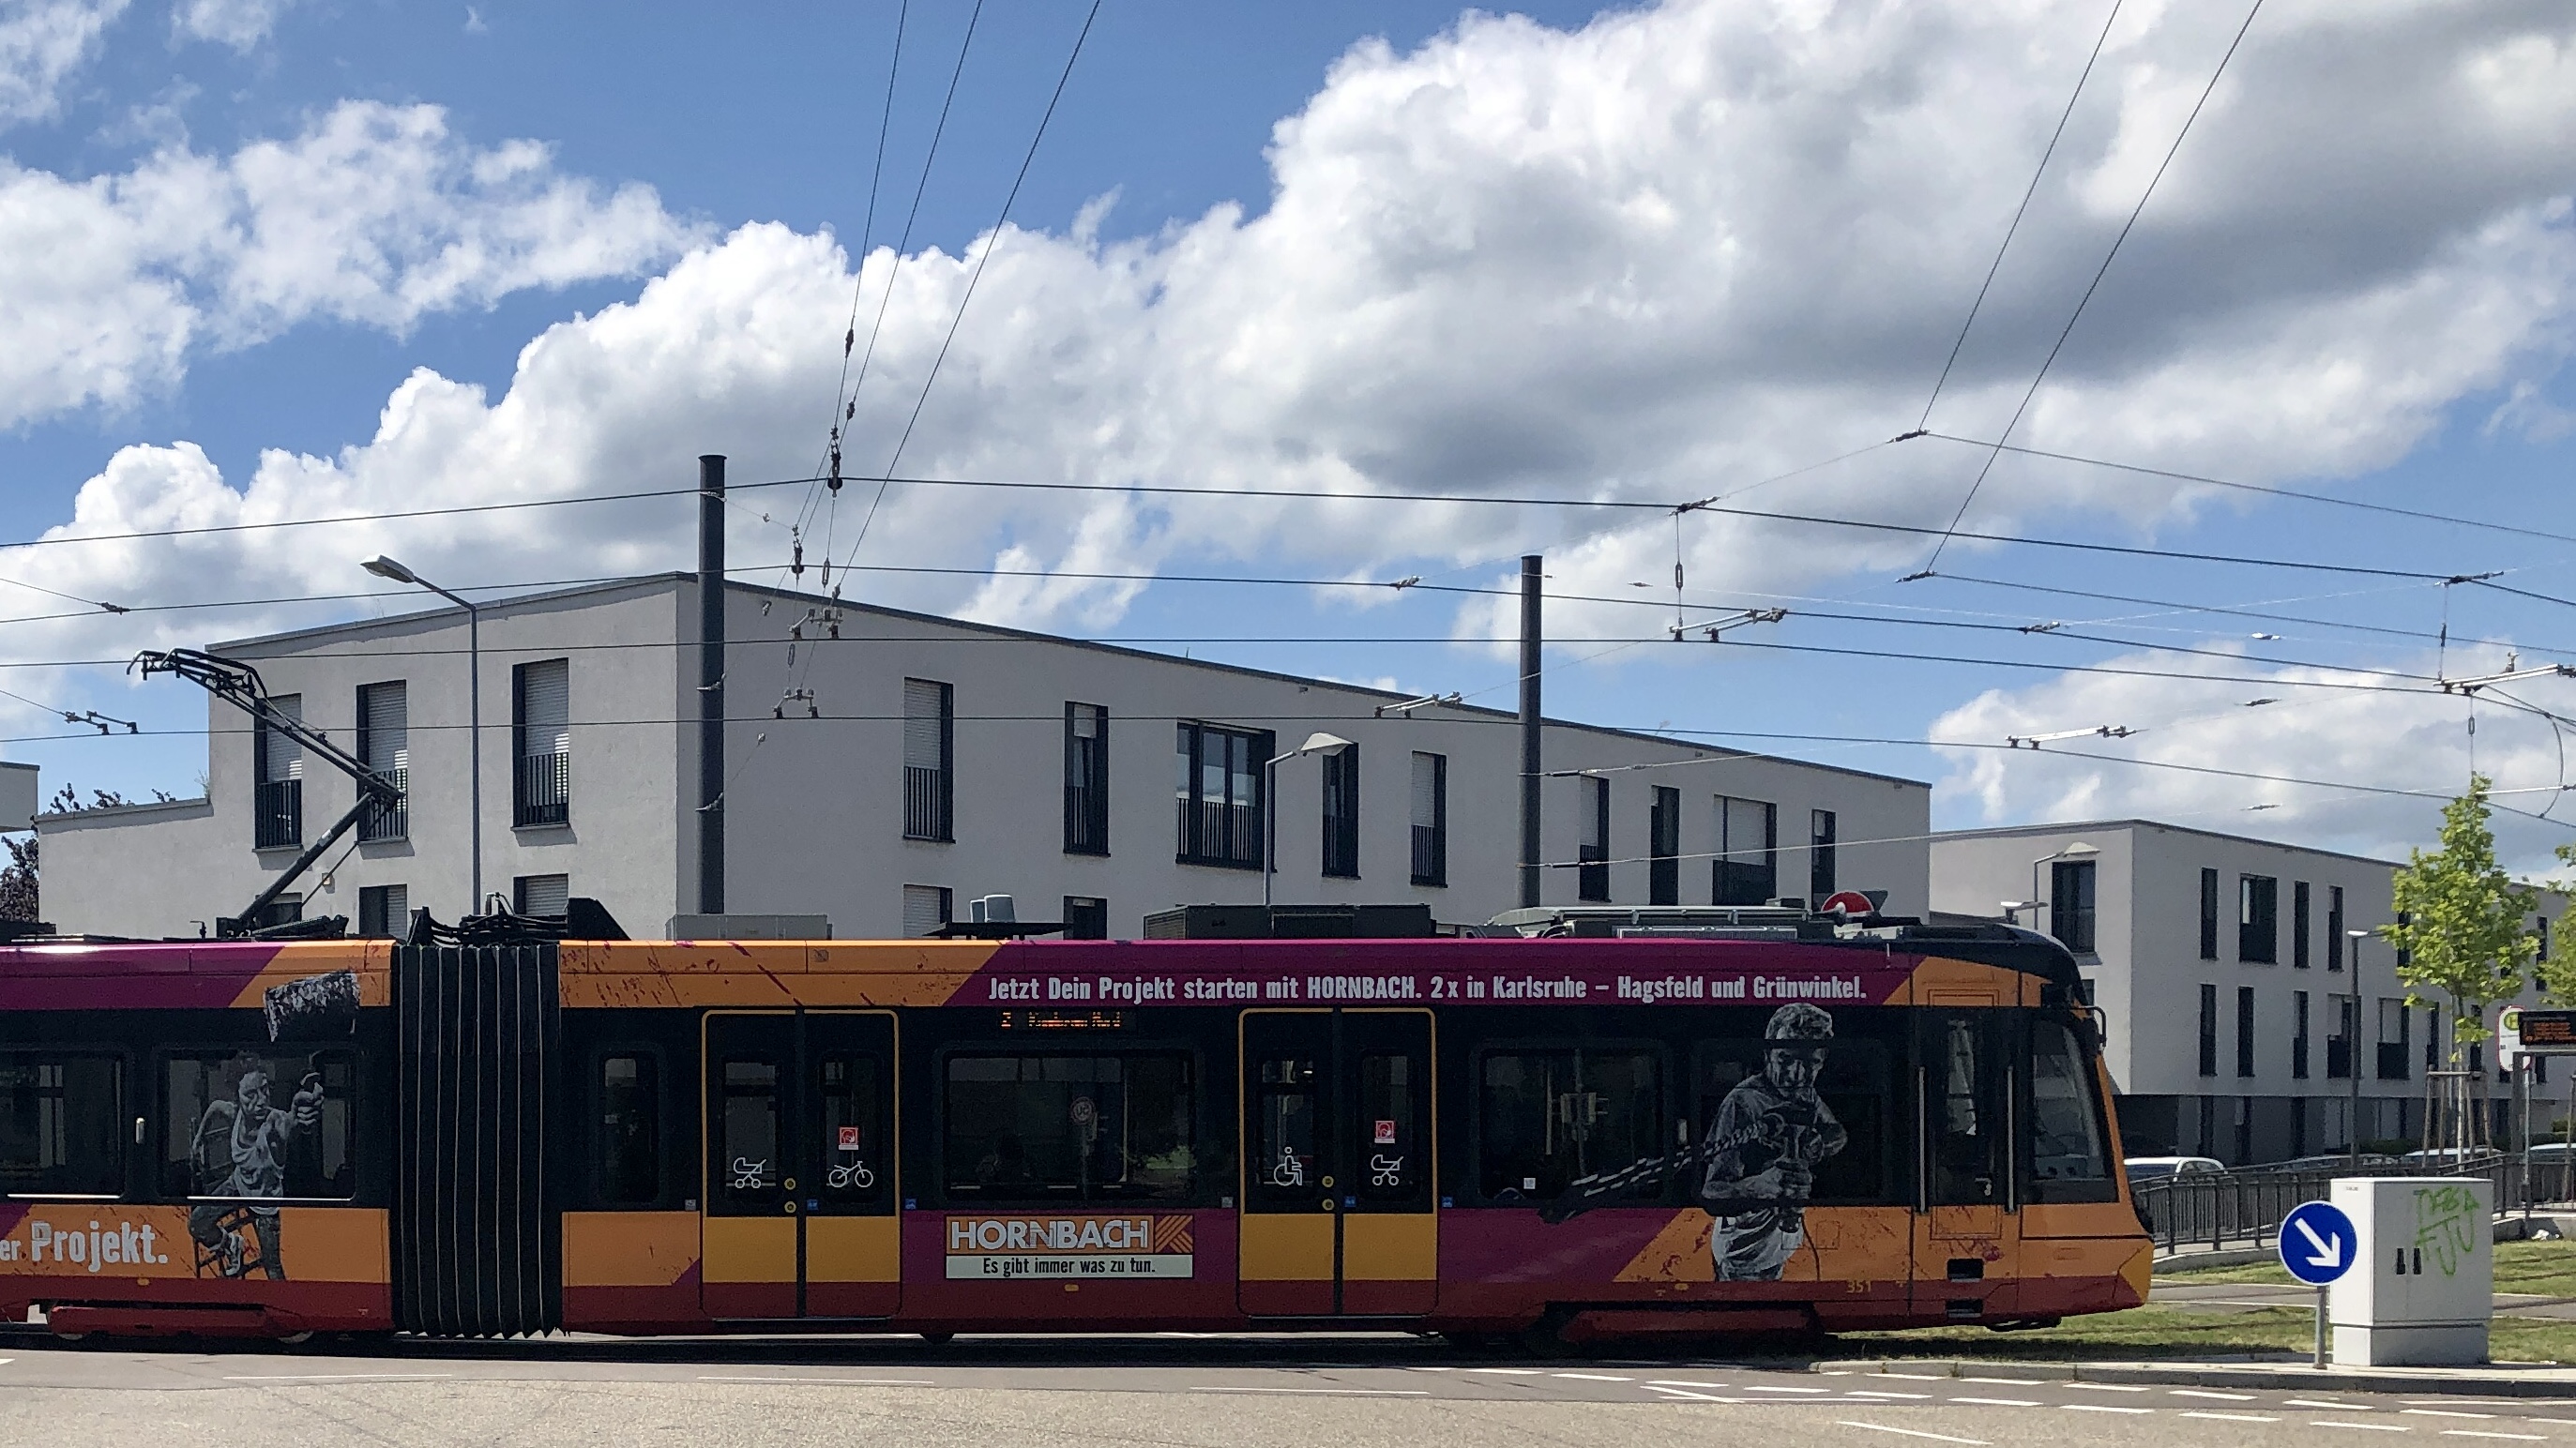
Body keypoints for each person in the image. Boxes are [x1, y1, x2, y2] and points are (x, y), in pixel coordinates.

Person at [1698, 1003, 1849, 1281]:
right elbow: (1712, 1193)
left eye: (1810, 1063)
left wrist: (1818, 1145)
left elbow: (1836, 1133)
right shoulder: (1742, 1102)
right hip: (1744, 1248)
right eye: (1786, 1060)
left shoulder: (1805, 1092)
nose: (1797, 1075)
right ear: (1768, 1054)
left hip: (1778, 1244)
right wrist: (1762, 1185)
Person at [188, 1063, 324, 1279]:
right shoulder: (233, 1113)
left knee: (274, 1272)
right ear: (237, 1096)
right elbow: (214, 1107)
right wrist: (198, 1139)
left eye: (264, 1089)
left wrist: (302, 1113)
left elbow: (291, 1121)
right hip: (238, 1184)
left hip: (265, 1204)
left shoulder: (275, 1123)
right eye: (251, 1094)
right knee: (197, 1224)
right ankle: (231, 1244)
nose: (261, 1100)